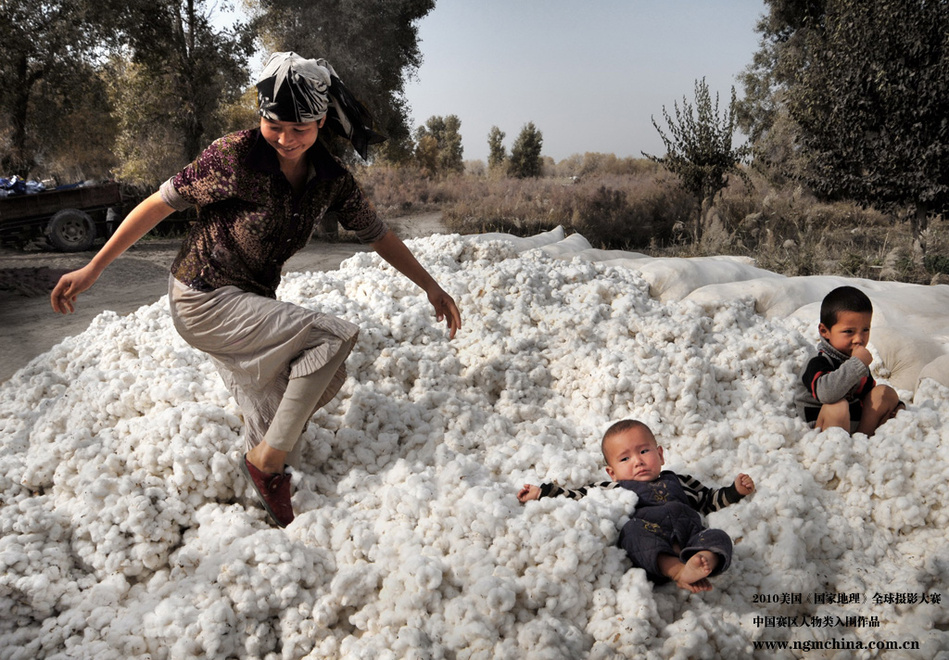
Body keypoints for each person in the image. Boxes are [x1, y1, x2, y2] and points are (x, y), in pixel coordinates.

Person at [51, 52, 461, 528]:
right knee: (331, 336)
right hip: (202, 296)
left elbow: (378, 234)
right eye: (274, 125)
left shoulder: (330, 180)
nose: (286, 139)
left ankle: (262, 495)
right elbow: (158, 204)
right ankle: (264, 462)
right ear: (261, 117)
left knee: (317, 383)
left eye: (300, 129)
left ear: (321, 121)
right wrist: (95, 267)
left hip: (250, 303)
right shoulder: (233, 157)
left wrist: (430, 285)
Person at [517, 419, 754, 593]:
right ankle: (677, 570)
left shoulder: (680, 480)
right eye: (625, 459)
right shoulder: (614, 488)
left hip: (690, 535)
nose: (638, 461)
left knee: (718, 536)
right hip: (650, 533)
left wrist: (735, 491)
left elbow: (707, 499)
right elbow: (579, 496)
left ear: (660, 455)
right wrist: (542, 493)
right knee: (631, 532)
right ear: (612, 473)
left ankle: (703, 560)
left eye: (644, 451)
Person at [794, 285, 902, 436]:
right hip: (822, 428)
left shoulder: (856, 361)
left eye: (865, 330)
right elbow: (827, 394)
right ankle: (839, 451)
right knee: (838, 406)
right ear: (824, 331)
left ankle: (861, 441)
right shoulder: (818, 361)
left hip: (854, 424)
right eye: (849, 332)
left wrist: (896, 408)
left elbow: (869, 394)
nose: (859, 339)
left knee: (885, 392)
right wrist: (857, 364)